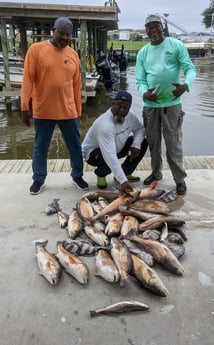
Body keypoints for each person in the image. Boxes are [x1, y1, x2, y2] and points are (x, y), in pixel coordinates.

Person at [21, 17, 88, 194]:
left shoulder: (73, 54)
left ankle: (77, 175)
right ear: (53, 31)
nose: (64, 38)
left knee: (75, 146)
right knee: (40, 147)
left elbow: (76, 85)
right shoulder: (36, 50)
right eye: (61, 33)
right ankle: (38, 179)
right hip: (43, 110)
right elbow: (27, 79)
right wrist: (24, 107)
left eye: (68, 35)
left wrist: (78, 111)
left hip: (69, 111)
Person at [135, 14, 196, 195]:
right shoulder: (143, 52)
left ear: (162, 27)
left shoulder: (175, 45)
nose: (152, 30)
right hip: (151, 106)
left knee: (173, 143)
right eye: (149, 27)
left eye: (156, 26)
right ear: (146, 30)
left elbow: (189, 68)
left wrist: (186, 85)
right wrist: (144, 93)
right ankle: (156, 173)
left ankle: (179, 179)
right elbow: (140, 79)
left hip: (172, 104)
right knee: (153, 143)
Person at [82, 90, 148, 194]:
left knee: (143, 142)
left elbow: (140, 129)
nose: (121, 110)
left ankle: (125, 173)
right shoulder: (105, 125)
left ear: (129, 108)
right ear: (113, 104)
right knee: (107, 158)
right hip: (93, 154)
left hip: (116, 148)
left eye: (125, 107)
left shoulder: (130, 116)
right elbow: (110, 156)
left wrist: (135, 144)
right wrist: (124, 182)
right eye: (119, 106)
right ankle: (101, 174)